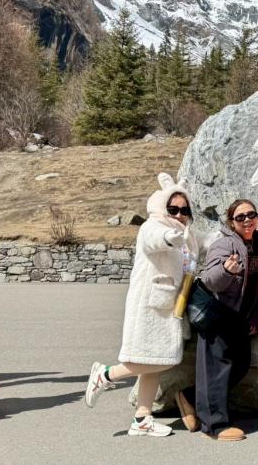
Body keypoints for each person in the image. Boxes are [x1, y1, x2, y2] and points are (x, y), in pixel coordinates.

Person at [84, 173, 202, 437]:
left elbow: (201, 245)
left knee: (156, 361)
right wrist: (170, 236)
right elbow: (155, 239)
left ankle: (142, 418)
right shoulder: (153, 226)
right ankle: (106, 374)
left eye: (184, 210)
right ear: (162, 207)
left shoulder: (188, 235)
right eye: (173, 209)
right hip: (151, 305)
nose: (179, 214)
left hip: (171, 305)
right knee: (149, 359)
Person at [174, 199, 258, 441]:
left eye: (251, 215)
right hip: (217, 313)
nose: (247, 220)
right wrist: (226, 270)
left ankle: (189, 396)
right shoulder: (224, 244)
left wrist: (253, 317)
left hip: (239, 317)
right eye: (240, 217)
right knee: (216, 367)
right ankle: (214, 426)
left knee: (241, 364)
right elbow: (211, 280)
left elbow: (257, 286)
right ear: (231, 222)